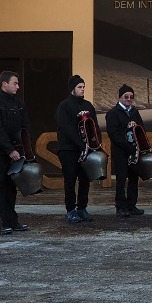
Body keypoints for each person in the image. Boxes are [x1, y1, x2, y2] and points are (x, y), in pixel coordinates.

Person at [0, 70, 31, 235]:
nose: (18, 86)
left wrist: (24, 151)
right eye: (15, 83)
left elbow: (24, 128)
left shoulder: (18, 103)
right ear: (4, 83)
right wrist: (9, 149)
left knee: (11, 186)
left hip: (15, 151)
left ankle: (12, 221)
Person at [55, 74, 99, 223]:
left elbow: (95, 126)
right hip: (69, 149)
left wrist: (95, 143)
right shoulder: (64, 106)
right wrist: (80, 144)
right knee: (70, 180)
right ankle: (71, 210)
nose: (82, 90)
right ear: (72, 89)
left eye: (83, 87)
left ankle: (82, 207)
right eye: (79, 87)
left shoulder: (88, 105)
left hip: (86, 148)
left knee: (85, 179)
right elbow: (66, 129)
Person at [107, 84, 146, 217]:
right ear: (120, 97)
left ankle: (131, 205)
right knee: (121, 179)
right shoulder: (112, 113)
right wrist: (126, 144)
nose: (129, 99)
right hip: (120, 152)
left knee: (134, 179)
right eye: (126, 96)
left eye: (131, 97)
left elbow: (142, 129)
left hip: (134, 150)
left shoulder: (135, 112)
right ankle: (120, 206)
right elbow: (113, 133)